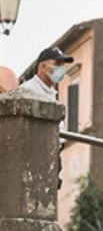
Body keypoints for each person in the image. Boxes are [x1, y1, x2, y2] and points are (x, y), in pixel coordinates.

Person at [20, 46, 74, 189]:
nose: (61, 68)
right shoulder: (28, 90)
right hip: (36, 154)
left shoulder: (51, 93)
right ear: (43, 66)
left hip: (52, 152)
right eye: (57, 64)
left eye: (62, 65)